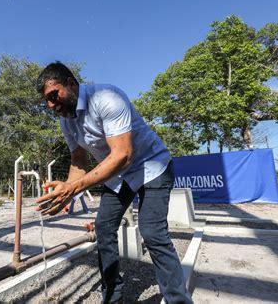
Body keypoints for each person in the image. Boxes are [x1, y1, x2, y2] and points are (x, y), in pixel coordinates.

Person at [35, 62, 192, 303]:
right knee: (103, 228)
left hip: (152, 167)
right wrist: (65, 191)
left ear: (70, 83)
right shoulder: (66, 121)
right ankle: (112, 293)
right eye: (46, 100)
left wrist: (74, 188)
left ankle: (178, 299)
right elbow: (78, 161)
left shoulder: (107, 97)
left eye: (54, 95)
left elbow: (123, 155)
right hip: (120, 176)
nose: (51, 105)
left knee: (152, 232)